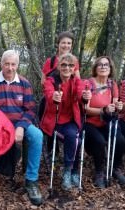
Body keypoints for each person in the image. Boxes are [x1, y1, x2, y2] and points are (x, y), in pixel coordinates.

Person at [0, 50, 43, 206]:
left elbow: (30, 109)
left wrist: (20, 127)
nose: (10, 68)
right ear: (1, 64)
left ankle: (31, 180)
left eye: (13, 64)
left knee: (37, 136)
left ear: (18, 65)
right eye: (7, 64)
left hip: (19, 122)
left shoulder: (24, 83)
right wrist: (2, 128)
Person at [40, 53, 87, 191]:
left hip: (71, 120)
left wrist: (85, 97)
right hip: (55, 120)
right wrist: (54, 96)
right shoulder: (51, 81)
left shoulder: (77, 81)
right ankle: (71, 171)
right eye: (64, 65)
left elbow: (80, 94)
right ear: (59, 66)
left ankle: (69, 170)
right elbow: (49, 94)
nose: (67, 68)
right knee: (74, 139)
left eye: (71, 65)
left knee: (74, 137)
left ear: (74, 68)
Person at [83, 56, 125, 188]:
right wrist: (103, 110)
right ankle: (99, 172)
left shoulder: (112, 85)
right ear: (95, 68)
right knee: (99, 141)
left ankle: (115, 168)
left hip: (107, 121)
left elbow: (114, 106)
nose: (103, 67)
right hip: (90, 122)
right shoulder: (88, 84)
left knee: (120, 140)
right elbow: (85, 109)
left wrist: (117, 107)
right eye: (100, 65)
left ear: (110, 68)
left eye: (106, 65)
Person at [40, 31, 81, 163]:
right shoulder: (50, 61)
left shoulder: (74, 60)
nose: (66, 45)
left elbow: (78, 79)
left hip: (68, 96)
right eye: (63, 42)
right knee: (48, 120)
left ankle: (66, 154)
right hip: (51, 95)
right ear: (58, 44)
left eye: (69, 43)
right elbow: (43, 80)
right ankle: (51, 151)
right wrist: (51, 92)